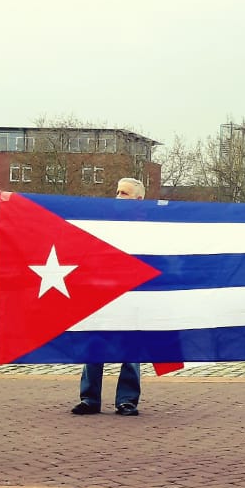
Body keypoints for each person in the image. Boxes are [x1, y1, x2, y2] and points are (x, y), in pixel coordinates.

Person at [72, 177, 149, 417]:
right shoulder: (104, 224)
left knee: (131, 347)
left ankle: (126, 400)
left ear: (138, 199)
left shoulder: (149, 228)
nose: (117, 197)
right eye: (116, 192)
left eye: (123, 193)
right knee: (95, 343)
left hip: (133, 294)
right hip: (103, 292)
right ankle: (90, 398)